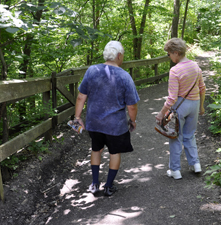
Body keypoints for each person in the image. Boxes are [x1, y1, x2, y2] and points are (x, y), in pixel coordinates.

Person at [74, 41, 139, 196]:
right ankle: (109, 186)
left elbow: (81, 97)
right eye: (122, 55)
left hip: (94, 123)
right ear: (118, 55)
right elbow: (132, 106)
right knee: (114, 153)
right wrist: (132, 120)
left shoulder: (92, 70)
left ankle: (94, 184)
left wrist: (77, 117)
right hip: (115, 126)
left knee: (96, 149)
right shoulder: (124, 76)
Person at [155, 38, 206, 180]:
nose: (169, 57)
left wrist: (161, 113)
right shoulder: (195, 66)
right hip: (194, 105)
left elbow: (172, 98)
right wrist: (201, 106)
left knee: (175, 137)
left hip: (180, 108)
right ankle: (196, 164)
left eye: (169, 54)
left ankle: (175, 170)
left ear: (176, 53)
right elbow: (202, 88)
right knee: (190, 135)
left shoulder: (175, 71)